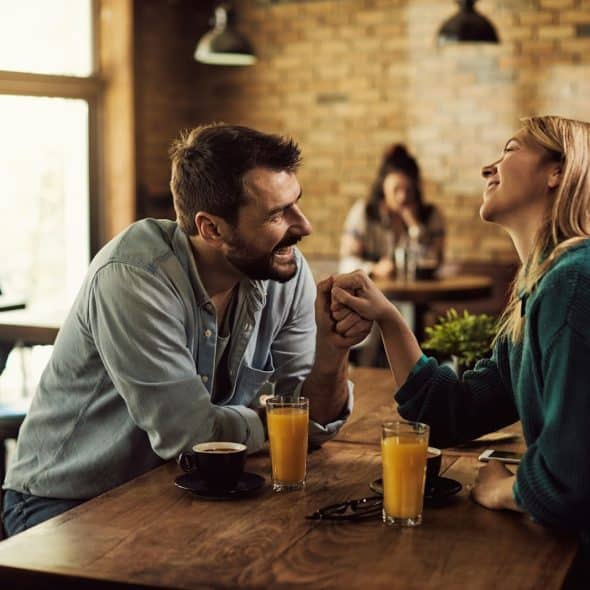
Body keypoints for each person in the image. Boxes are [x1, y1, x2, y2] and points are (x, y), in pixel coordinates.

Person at [1, 123, 370, 536]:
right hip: (66, 504)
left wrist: (334, 350)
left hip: (179, 491)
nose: (303, 226)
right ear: (211, 229)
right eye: (276, 214)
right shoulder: (134, 277)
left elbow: (307, 426)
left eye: (296, 203)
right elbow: (192, 436)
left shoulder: (283, 270)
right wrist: (277, 420)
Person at [331, 116, 590, 586]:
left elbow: (570, 482)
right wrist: (389, 318)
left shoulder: (573, 282)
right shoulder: (542, 288)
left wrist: (505, 491)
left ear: (557, 171)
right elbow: (451, 413)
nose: (489, 167)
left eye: (510, 149)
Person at [339, 143, 445, 278]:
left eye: (408, 190)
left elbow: (435, 262)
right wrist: (374, 268)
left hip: (416, 296)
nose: (403, 197)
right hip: (370, 294)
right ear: (383, 186)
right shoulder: (364, 212)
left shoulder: (430, 215)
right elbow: (345, 264)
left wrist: (415, 227)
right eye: (396, 189)